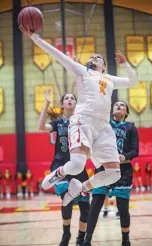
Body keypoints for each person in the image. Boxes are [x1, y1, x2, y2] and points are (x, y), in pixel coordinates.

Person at [19, 25, 138, 206]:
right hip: (84, 120)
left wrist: (125, 64)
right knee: (76, 165)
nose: (93, 57)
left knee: (114, 173)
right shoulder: (82, 71)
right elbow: (57, 55)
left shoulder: (110, 79)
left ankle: (80, 188)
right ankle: (57, 175)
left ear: (103, 67)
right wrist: (35, 37)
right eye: (91, 56)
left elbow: (133, 82)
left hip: (103, 127)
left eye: (98, 57)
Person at [82, 101, 139, 246]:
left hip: (123, 171)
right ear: (111, 110)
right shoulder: (103, 125)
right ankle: (86, 240)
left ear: (126, 112)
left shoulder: (130, 127)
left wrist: (124, 157)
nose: (118, 106)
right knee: (95, 205)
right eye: (116, 105)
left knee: (123, 209)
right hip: (104, 169)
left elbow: (135, 150)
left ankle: (125, 241)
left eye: (122, 105)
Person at [38, 89, 90, 246]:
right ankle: (66, 234)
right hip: (60, 165)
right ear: (62, 104)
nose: (69, 100)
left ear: (75, 103)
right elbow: (40, 126)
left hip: (79, 165)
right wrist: (46, 103)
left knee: (85, 206)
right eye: (66, 98)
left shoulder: (81, 121)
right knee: (66, 202)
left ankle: (81, 238)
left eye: (72, 98)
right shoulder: (57, 123)